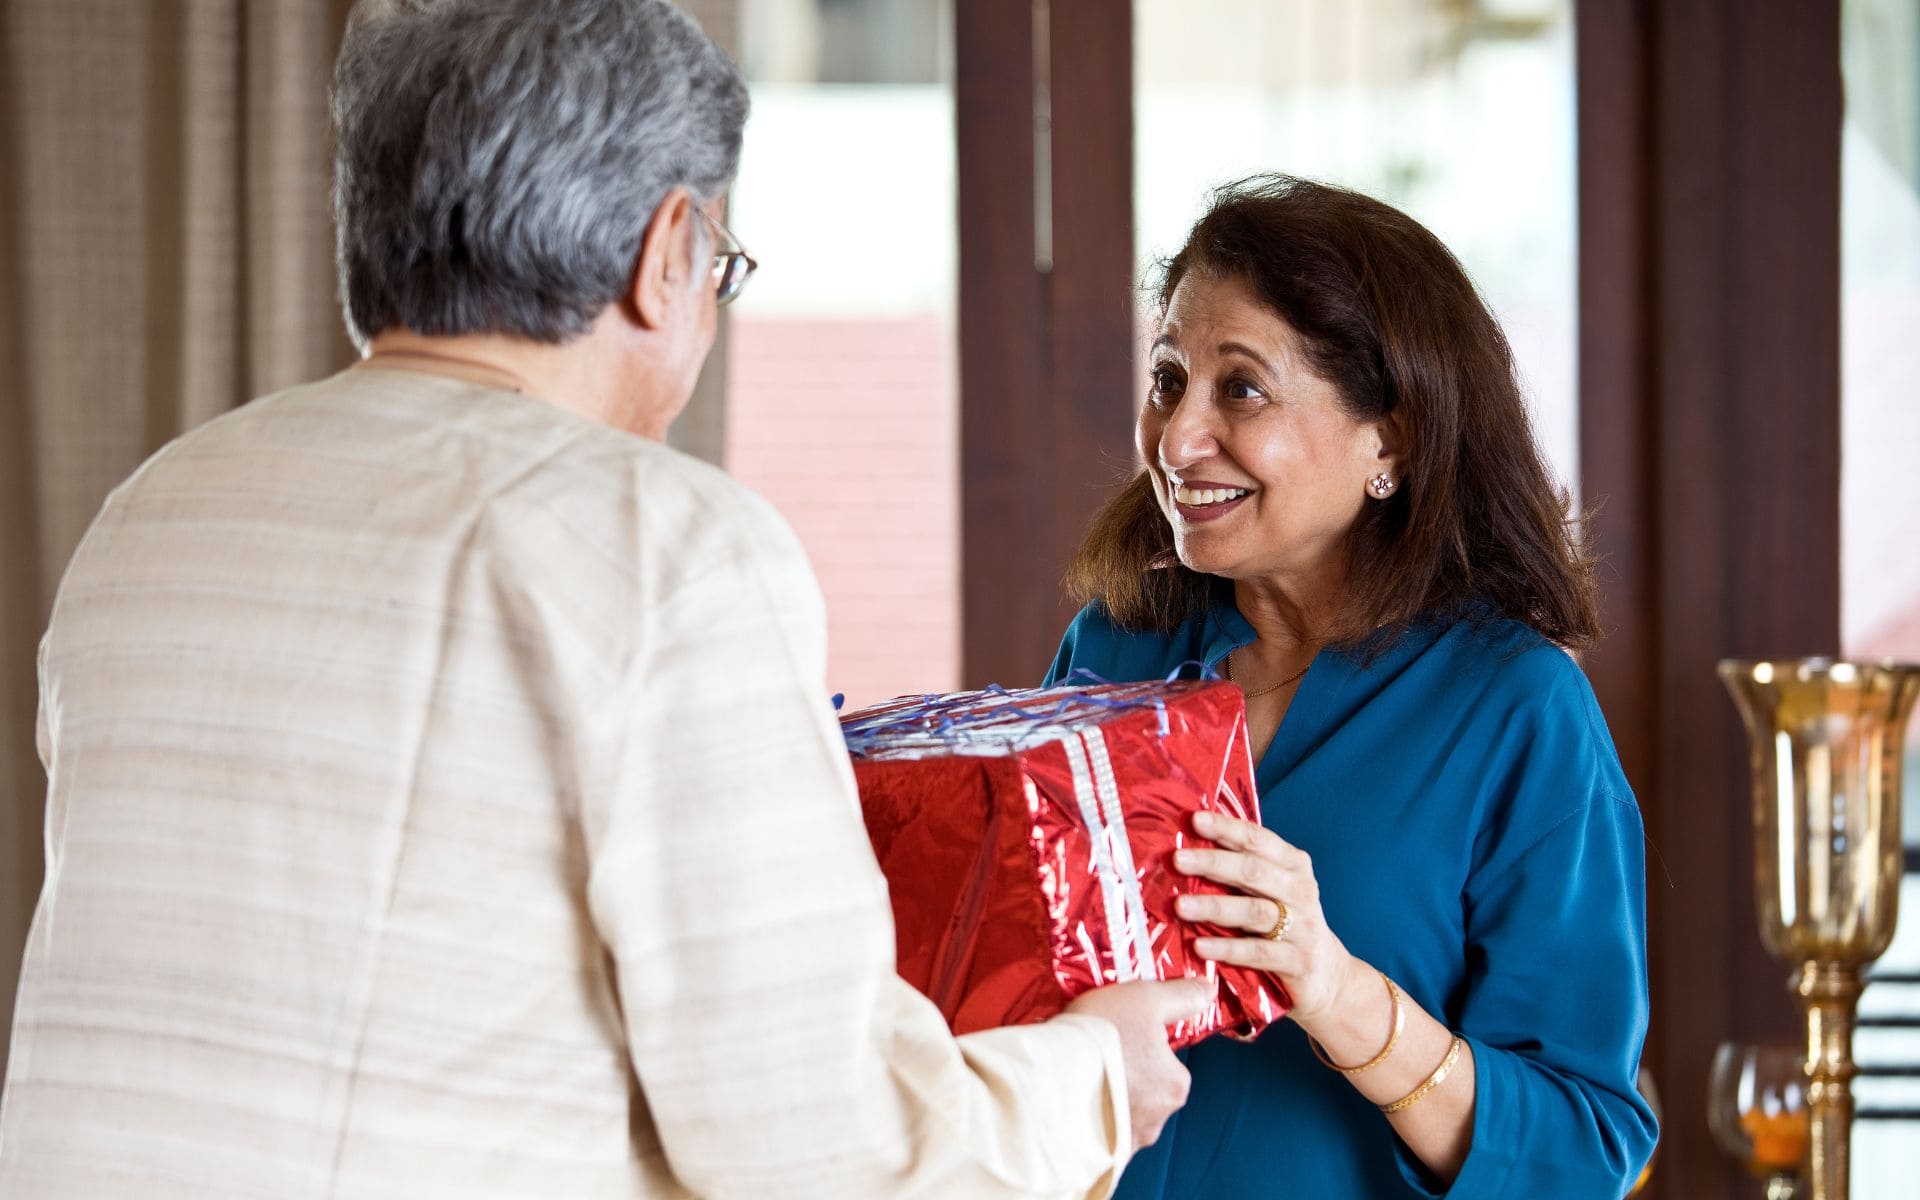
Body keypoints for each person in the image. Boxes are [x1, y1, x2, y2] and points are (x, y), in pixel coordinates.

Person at [0, 1, 1207, 1195]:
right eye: (720, 265)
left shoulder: (155, 508)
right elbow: (811, 1140)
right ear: (666, 250)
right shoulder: (668, 540)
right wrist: (1093, 1077)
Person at [1046, 175, 1659, 1198]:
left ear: (1391, 440)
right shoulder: (1112, 650)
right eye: (1168, 380)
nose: (1177, 438)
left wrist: (1331, 987)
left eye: (1241, 389)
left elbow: (1582, 1150)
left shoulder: (1519, 710)